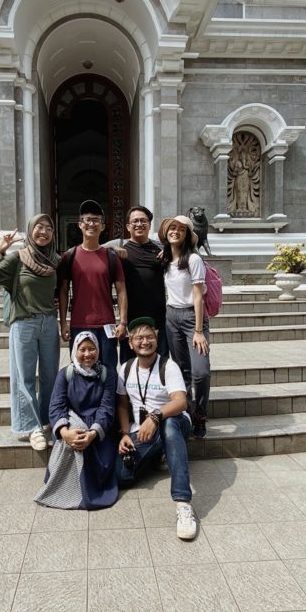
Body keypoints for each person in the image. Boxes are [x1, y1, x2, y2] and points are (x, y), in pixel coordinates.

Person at [0, 213, 60, 452]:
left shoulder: (55, 261)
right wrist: (1, 249)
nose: (43, 231)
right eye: (39, 227)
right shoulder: (18, 258)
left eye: (48, 228)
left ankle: (45, 421)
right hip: (24, 322)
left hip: (48, 323)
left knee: (50, 376)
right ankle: (31, 427)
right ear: (31, 230)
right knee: (23, 377)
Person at [116, 318, 197, 540]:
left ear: (157, 338)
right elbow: (122, 405)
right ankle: (159, 455)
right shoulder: (126, 369)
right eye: (139, 338)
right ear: (130, 343)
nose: (145, 342)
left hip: (173, 422)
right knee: (121, 477)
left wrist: (155, 416)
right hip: (141, 431)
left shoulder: (167, 366)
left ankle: (183, 503)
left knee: (169, 426)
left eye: (149, 337)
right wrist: (124, 434)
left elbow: (181, 402)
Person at [35, 331, 118, 510]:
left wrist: (93, 434)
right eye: (82, 349)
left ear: (98, 349)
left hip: (98, 431)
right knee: (74, 436)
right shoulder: (65, 374)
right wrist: (65, 433)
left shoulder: (107, 374)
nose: (87, 354)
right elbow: (57, 406)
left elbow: (107, 408)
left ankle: (87, 491)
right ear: (75, 350)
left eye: (92, 349)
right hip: (72, 425)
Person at [57, 199, 128, 371]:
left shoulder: (111, 257)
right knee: (81, 369)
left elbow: (121, 291)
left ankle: (108, 399)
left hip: (107, 325)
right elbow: (64, 291)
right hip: (78, 323)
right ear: (80, 225)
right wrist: (64, 323)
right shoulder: (70, 256)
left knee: (109, 369)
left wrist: (123, 322)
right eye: (87, 220)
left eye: (96, 220)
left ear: (102, 227)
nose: (91, 224)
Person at [158, 214, 210, 439]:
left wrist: (198, 331)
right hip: (171, 318)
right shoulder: (165, 258)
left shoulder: (194, 260)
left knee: (201, 372)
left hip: (192, 318)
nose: (175, 231)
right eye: (172, 227)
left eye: (181, 228)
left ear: (188, 234)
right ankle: (187, 414)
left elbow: (199, 296)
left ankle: (200, 413)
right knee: (182, 371)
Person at [108, 205, 167, 363]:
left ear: (149, 224)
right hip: (130, 317)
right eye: (135, 221)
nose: (139, 224)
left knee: (159, 361)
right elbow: (94, 249)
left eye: (143, 221)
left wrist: (172, 250)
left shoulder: (160, 249)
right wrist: (113, 248)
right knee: (129, 362)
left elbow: (188, 253)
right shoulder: (120, 246)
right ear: (128, 226)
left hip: (158, 318)